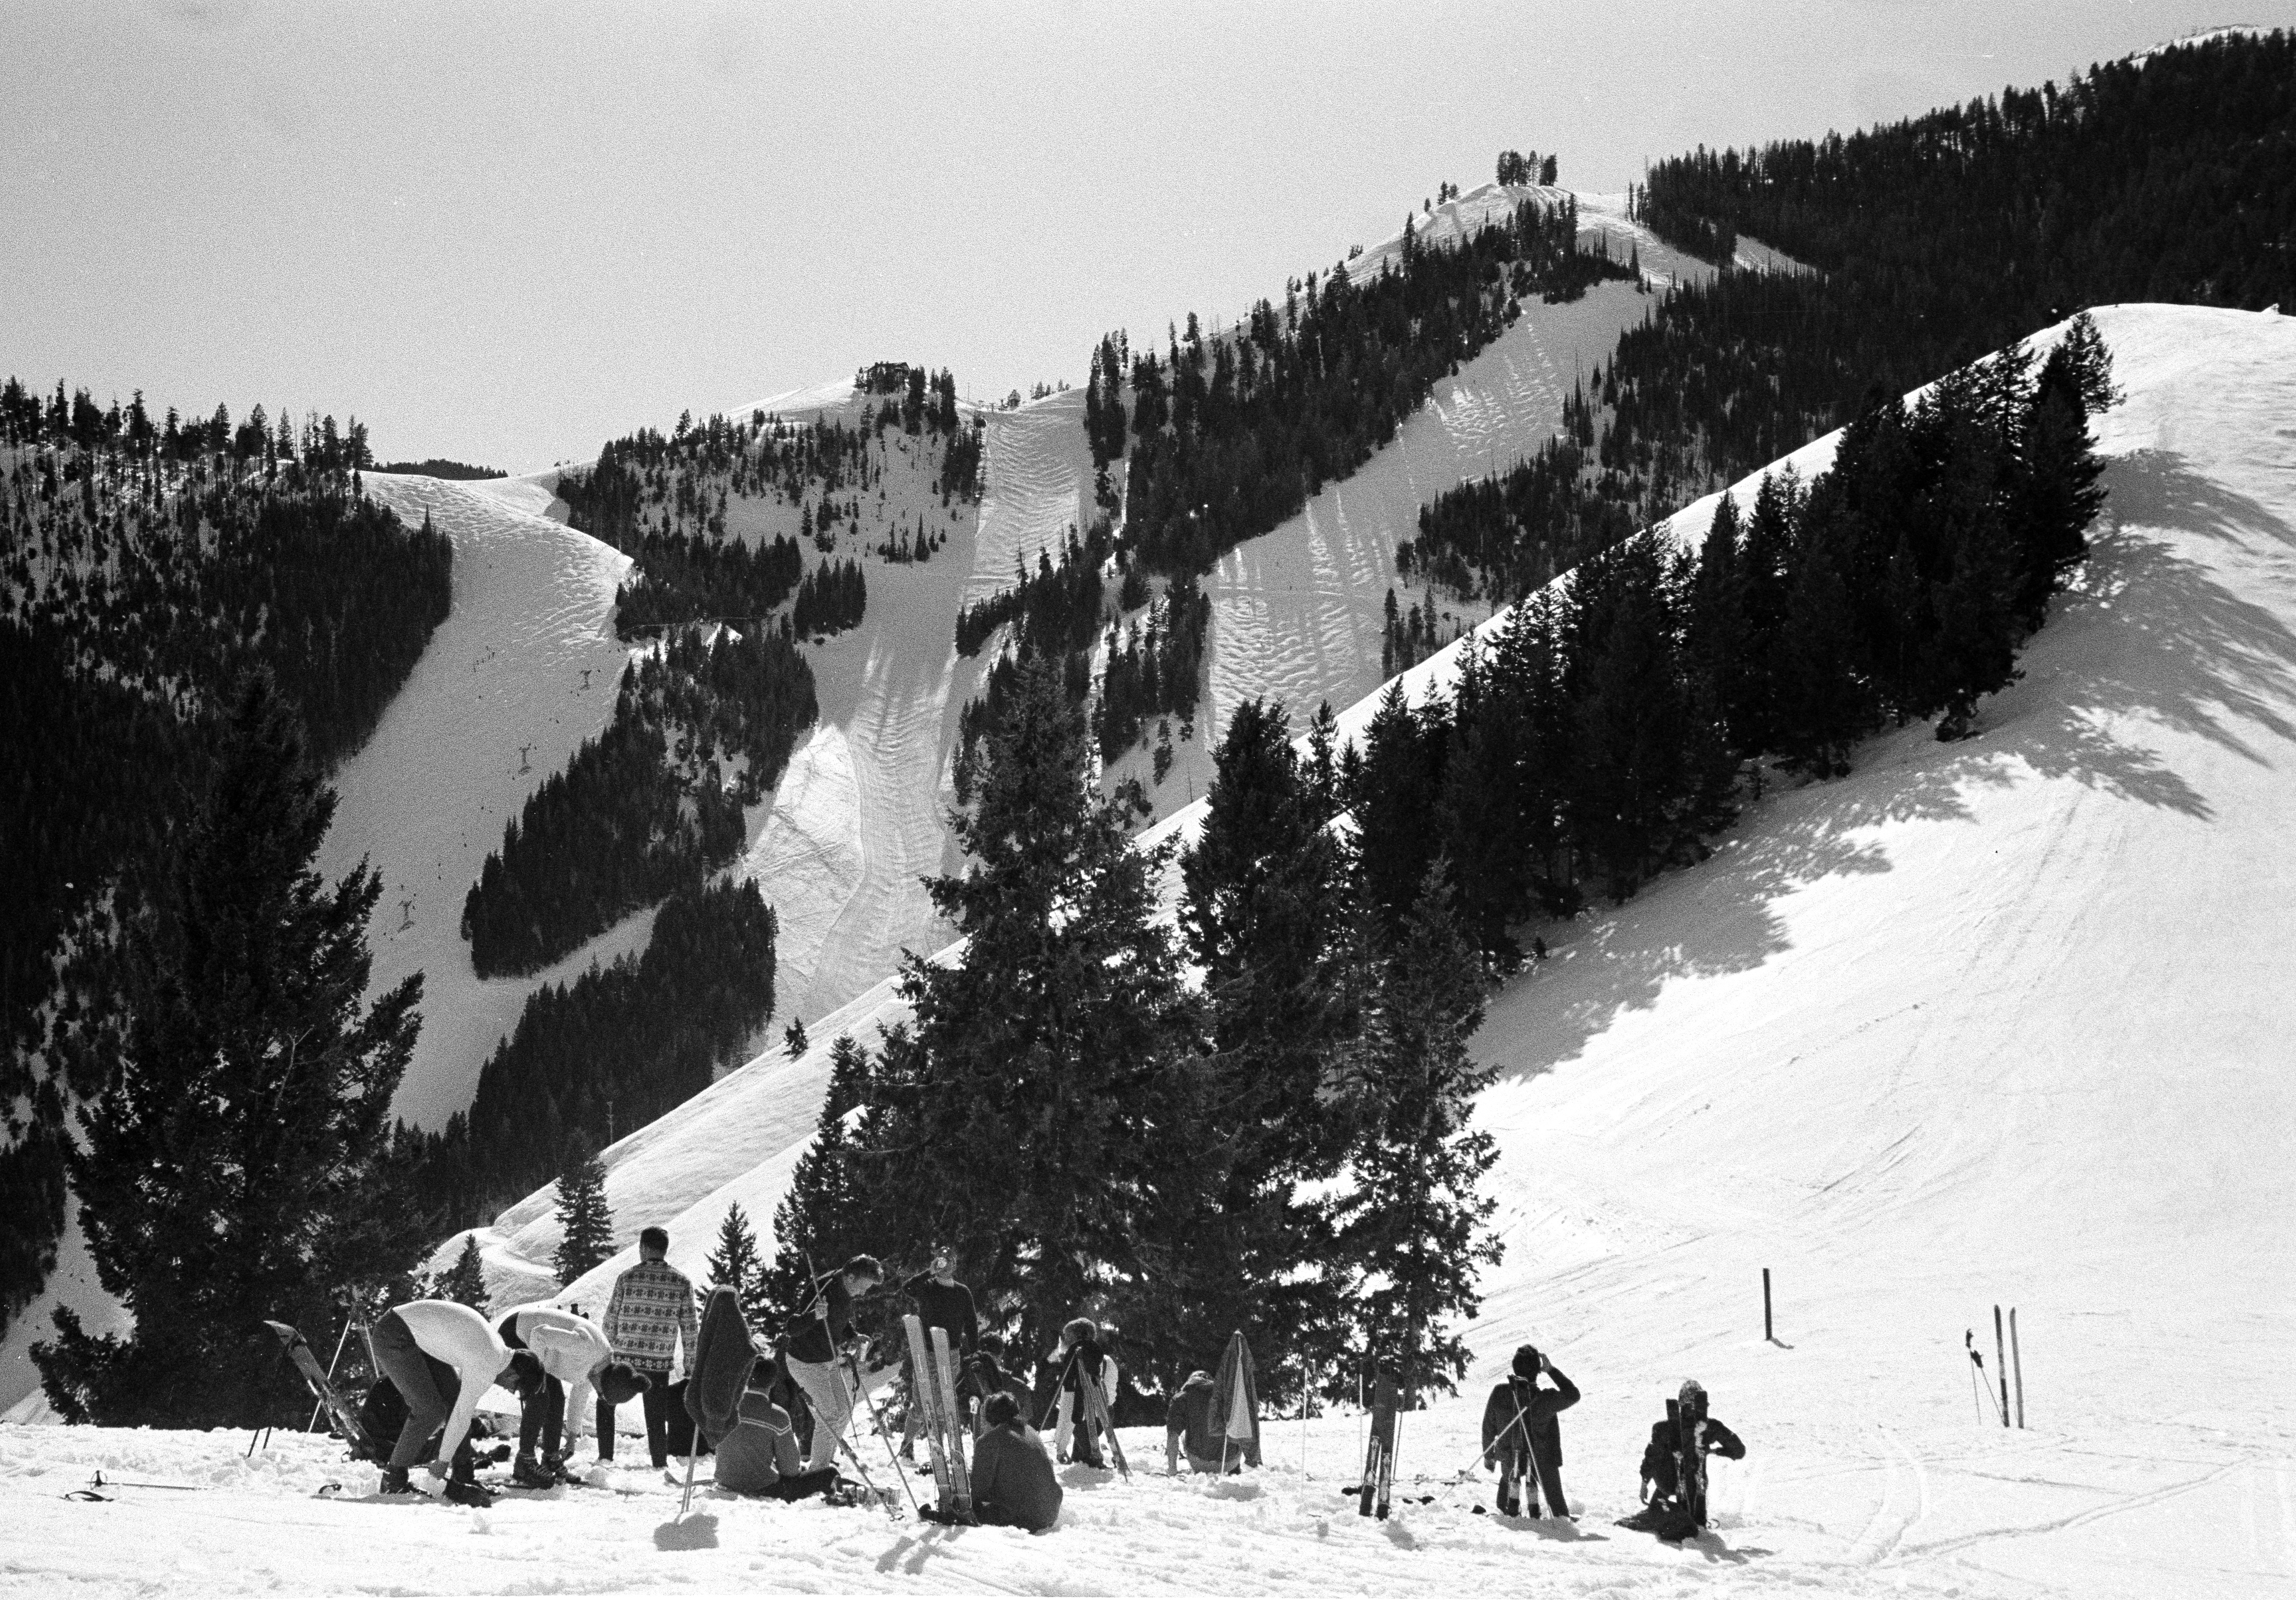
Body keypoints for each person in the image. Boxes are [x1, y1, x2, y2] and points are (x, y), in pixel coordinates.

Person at [369, 1298, 545, 1504]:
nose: (508, 1390)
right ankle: (394, 1479)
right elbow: (462, 1417)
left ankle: (463, 1476)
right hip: (394, 1333)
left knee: (453, 1400)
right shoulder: (487, 1363)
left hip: (416, 1332)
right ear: (515, 1374)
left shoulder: (497, 1352)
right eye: (516, 1388)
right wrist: (442, 1462)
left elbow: (460, 1412)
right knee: (429, 1411)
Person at [496, 1302, 648, 1486]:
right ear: (606, 1382)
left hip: (539, 1347)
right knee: (540, 1396)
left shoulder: (597, 1370)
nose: (597, 1394)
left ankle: (551, 1457)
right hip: (517, 1332)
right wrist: (536, 1375)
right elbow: (539, 1334)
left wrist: (572, 1437)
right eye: (601, 1394)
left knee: (557, 1398)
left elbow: (579, 1399)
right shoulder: (587, 1348)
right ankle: (525, 1462)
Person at [598, 1226, 699, 1468]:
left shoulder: (627, 1277)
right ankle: (658, 1462)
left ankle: (605, 1457)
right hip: (658, 1361)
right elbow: (690, 1328)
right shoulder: (682, 1282)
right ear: (665, 1249)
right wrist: (690, 1366)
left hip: (623, 1360)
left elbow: (611, 1319)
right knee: (656, 1416)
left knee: (607, 1403)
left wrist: (604, 1355)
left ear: (642, 1248)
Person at [781, 1254, 885, 1474]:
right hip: (805, 1362)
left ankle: (824, 1462)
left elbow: (840, 1319)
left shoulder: (847, 1291)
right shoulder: (822, 1288)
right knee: (830, 1415)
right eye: (864, 1287)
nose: (864, 1293)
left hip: (828, 1361)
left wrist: (853, 1335)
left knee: (845, 1410)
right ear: (850, 1277)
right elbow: (792, 1328)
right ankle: (818, 1471)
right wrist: (814, 1316)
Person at [713, 1356, 846, 1500]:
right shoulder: (777, 1415)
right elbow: (790, 1471)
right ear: (773, 1383)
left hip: (726, 1480)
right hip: (764, 1488)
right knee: (829, 1474)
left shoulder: (727, 1408)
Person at [1630, 1379, 1745, 1539]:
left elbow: (1652, 1457)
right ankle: (1693, 1520)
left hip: (1669, 1483)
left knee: (1661, 1494)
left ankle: (1671, 1514)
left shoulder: (1662, 1428)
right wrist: (1713, 1451)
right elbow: (1739, 1451)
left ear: (1680, 1404)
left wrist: (1644, 1483)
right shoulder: (1712, 1427)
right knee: (1694, 1479)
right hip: (1698, 1484)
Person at [1480, 1343, 1580, 1518]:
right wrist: (1551, 1370)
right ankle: (1560, 1516)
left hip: (1509, 1458)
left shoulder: (1500, 1393)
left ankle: (1506, 1512)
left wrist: (1489, 1457)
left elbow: (1488, 1427)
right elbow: (1573, 1395)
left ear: (1515, 1367)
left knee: (1508, 1478)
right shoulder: (1545, 1399)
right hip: (1541, 1461)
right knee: (1555, 1497)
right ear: (1537, 1370)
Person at [900, 1248, 977, 1453]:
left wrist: (975, 1351)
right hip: (924, 1351)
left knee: (944, 1404)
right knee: (920, 1405)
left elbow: (971, 1323)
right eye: (942, 1260)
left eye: (950, 1261)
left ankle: (939, 1449)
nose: (945, 1265)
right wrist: (928, 1272)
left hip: (950, 1353)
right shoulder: (927, 1286)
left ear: (955, 1264)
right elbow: (907, 1288)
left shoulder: (962, 1292)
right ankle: (907, 1447)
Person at [972, 1392, 1062, 1532]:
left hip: (1025, 1517)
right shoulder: (1031, 1431)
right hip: (1050, 1510)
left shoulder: (989, 1440)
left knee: (974, 1510)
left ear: (989, 1417)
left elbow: (977, 1491)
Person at [1045, 1317, 1115, 1467]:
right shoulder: (1108, 1361)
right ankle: (1082, 1458)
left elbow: (1068, 1408)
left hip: (1080, 1420)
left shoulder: (1074, 1363)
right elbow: (1111, 1393)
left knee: (1090, 1463)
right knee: (1081, 1461)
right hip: (1103, 1416)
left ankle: (1093, 1460)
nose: (1065, 1340)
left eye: (1068, 1336)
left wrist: (1061, 1446)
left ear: (1077, 1337)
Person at [1165, 1369, 1224, 1474]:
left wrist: (1172, 1470)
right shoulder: (1226, 1395)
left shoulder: (1181, 1398)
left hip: (1200, 1463)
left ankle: (1199, 1471)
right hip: (1229, 1461)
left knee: (1182, 1433)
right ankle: (1235, 1469)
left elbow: (1172, 1437)